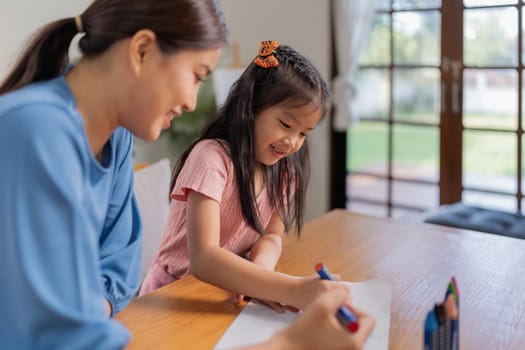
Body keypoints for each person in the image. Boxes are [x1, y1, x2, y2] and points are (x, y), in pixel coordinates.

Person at [0, 0, 374, 348]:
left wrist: (90, 312)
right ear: (142, 50)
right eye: (197, 76)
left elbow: (116, 275)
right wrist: (292, 342)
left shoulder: (117, 138)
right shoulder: (35, 131)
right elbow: (58, 333)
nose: (193, 102)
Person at [139, 39, 351, 313]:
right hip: (173, 296)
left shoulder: (284, 171)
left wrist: (261, 274)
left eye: (303, 134)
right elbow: (204, 257)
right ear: (251, 107)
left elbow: (272, 236)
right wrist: (289, 288)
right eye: (286, 124)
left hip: (227, 293)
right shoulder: (211, 158)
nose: (292, 142)